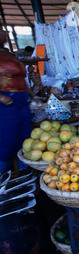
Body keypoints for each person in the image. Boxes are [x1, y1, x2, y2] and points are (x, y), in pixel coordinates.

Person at [0, 30, 32, 172]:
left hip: (21, 101)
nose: (4, 32)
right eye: (0, 29)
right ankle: (2, 176)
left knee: (25, 140)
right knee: (8, 140)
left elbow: (21, 79)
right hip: (5, 103)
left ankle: (25, 175)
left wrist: (33, 95)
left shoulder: (8, 53)